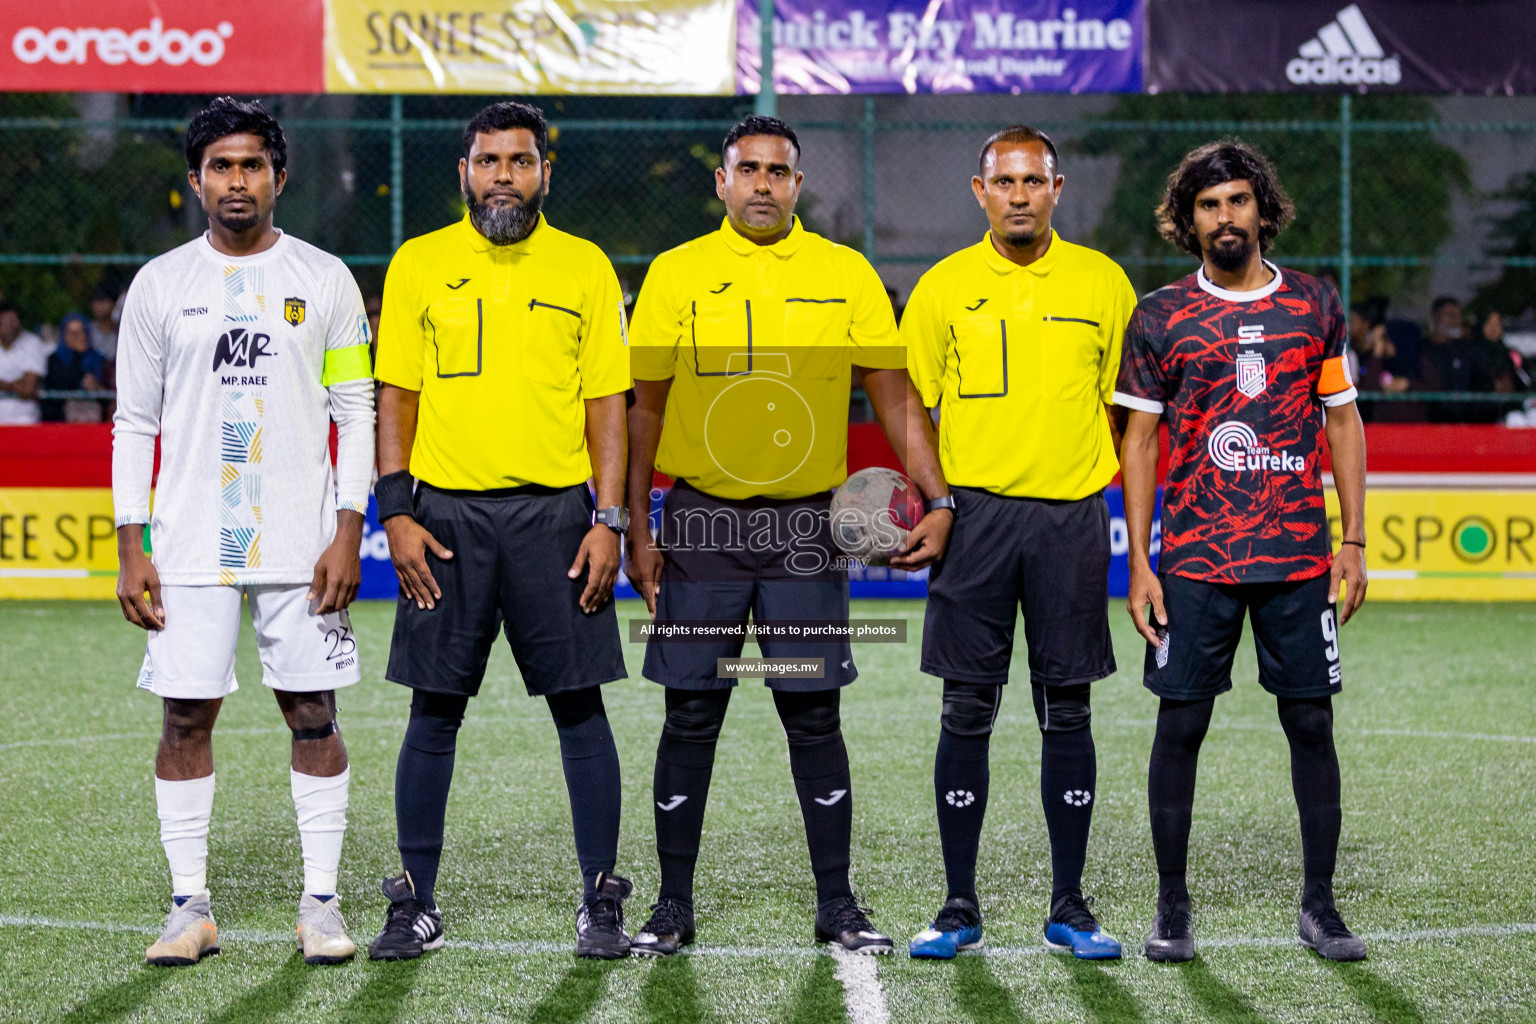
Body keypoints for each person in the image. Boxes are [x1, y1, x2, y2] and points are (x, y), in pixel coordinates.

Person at [623, 114, 952, 958]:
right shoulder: (676, 274)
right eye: (749, 170)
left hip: (807, 526)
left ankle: (838, 903)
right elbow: (643, 411)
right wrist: (633, 524)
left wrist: (938, 495)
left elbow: (893, 394)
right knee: (692, 714)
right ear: (723, 181)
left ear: (798, 186)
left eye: (779, 172)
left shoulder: (843, 274)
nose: (764, 184)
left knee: (812, 713)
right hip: (700, 523)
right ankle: (671, 905)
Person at [112, 97, 376, 968]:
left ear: (278, 176)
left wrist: (348, 527)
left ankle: (322, 904)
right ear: (196, 180)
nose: (237, 180)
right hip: (190, 544)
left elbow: (354, 408)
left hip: (302, 541)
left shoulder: (325, 278)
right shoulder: (159, 285)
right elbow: (135, 423)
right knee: (185, 715)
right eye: (221, 166)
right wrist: (131, 543)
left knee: (312, 711)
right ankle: (190, 908)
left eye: (252, 164)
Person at [368, 101, 634, 961]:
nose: (504, 177)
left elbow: (608, 408)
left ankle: (600, 898)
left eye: (521, 162)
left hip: (558, 516)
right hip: (443, 517)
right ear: (464, 172)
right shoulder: (419, 263)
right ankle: (415, 902)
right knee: (434, 709)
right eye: (489, 162)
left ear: (544, 172)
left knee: (579, 709)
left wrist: (609, 519)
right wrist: (396, 509)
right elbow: (396, 398)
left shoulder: (585, 267)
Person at [1115, 139, 1369, 963]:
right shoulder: (1159, 316)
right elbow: (1141, 442)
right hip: (1194, 562)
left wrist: (1353, 542)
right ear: (1189, 222)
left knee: (1310, 724)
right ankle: (1172, 906)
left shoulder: (1315, 304)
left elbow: (1341, 422)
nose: (1225, 217)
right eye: (1208, 205)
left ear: (1262, 208)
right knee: (1180, 724)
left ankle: (1321, 906)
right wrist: (1143, 563)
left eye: (1237, 201)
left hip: (1297, 557)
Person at [900, 125, 1137, 962]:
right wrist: (938, 500)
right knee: (967, 707)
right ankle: (959, 904)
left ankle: (1069, 904)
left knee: (1065, 706)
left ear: (1057, 188)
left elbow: (1129, 411)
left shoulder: (1105, 284)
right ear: (981, 192)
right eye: (1004, 182)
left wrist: (1083, 470)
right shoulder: (943, 288)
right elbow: (910, 406)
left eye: (1034, 181)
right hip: (975, 521)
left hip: (1071, 518)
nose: (1020, 195)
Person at [1416, 296, 1512, 423]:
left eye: (1458, 315)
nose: (1455, 319)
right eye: (1449, 314)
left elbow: (1489, 377)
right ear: (1435, 315)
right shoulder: (1422, 349)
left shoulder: (1468, 350)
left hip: (1464, 423)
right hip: (1428, 422)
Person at [41, 313, 106, 422]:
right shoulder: (55, 359)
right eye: (71, 333)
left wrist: (96, 388)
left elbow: (107, 391)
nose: (75, 337)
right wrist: (78, 354)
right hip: (60, 415)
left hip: (93, 412)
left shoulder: (98, 358)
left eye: (80, 332)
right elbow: (60, 385)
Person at [0, 302, 47, 425]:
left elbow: (28, 389)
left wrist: (3, 384)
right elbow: (23, 388)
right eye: (4, 322)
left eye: (13, 321)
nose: (10, 326)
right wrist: (16, 384)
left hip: (24, 419)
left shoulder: (32, 343)